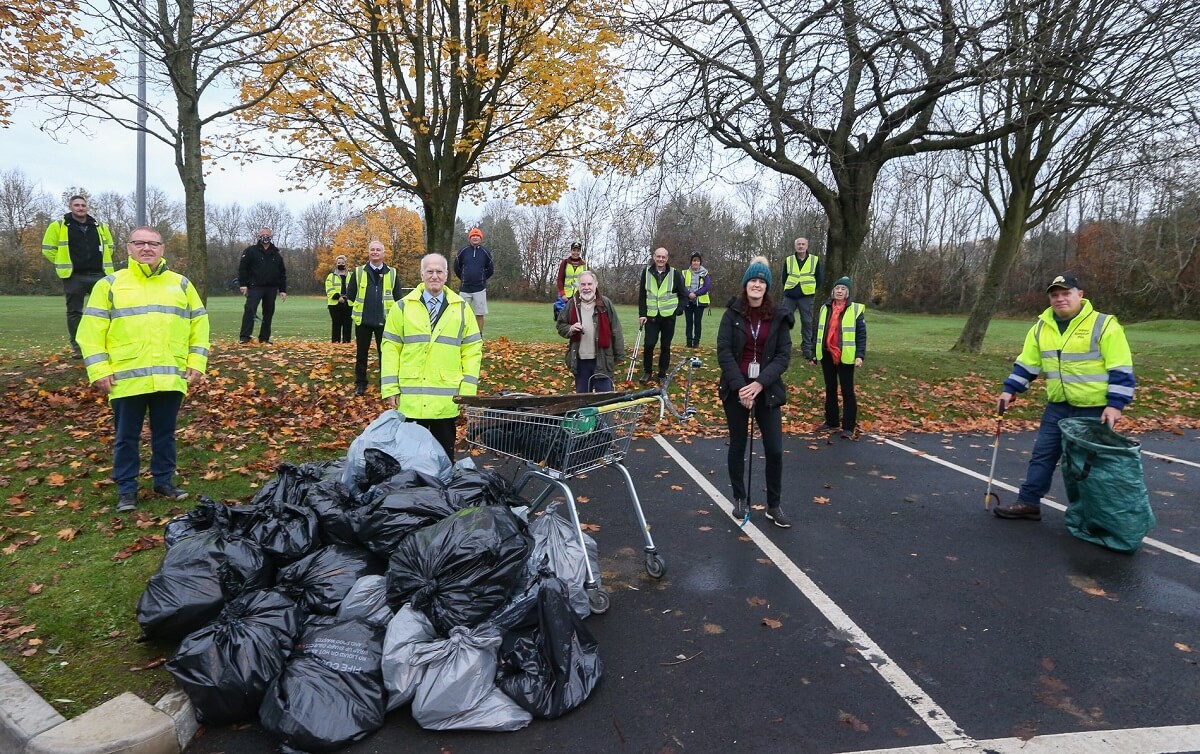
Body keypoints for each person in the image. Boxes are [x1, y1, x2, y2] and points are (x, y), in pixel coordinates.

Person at [76, 226, 209, 512]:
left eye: (153, 243)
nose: (146, 248)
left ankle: (164, 481)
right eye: (139, 243)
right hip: (126, 378)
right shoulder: (109, 285)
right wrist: (99, 370)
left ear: (162, 248)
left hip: (169, 376)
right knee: (126, 437)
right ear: (128, 248)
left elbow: (199, 325)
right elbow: (90, 332)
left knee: (166, 434)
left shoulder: (181, 284)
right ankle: (127, 490)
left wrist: (196, 362)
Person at [993, 273, 1135, 521]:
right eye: (1054, 295)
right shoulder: (1041, 327)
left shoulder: (1104, 325)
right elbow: (1027, 364)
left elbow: (1120, 368)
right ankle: (1028, 502)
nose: (1060, 299)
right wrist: (1010, 389)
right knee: (1043, 455)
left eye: (1066, 293)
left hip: (1094, 408)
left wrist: (1116, 405)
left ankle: (1093, 515)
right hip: (1058, 406)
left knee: (1087, 465)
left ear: (1080, 295)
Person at [381, 253, 482, 461]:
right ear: (422, 274)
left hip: (445, 403)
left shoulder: (462, 308)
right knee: (408, 461)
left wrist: (468, 391)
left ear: (446, 275)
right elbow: (390, 348)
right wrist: (390, 387)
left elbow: (472, 350)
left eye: (439, 271)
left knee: (443, 461)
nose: (434, 276)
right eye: (430, 271)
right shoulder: (402, 307)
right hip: (411, 401)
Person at [717, 256, 793, 528]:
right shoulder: (731, 314)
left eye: (762, 281)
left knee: (774, 449)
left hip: (767, 389)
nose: (757, 285)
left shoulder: (779, 315)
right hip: (737, 389)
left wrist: (759, 384)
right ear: (745, 284)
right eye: (753, 280)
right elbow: (724, 352)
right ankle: (739, 497)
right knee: (738, 444)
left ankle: (774, 504)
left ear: (767, 286)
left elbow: (784, 356)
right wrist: (741, 388)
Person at [42, 195, 116, 358]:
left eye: (83, 205)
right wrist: (63, 261)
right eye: (77, 205)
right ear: (70, 207)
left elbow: (110, 247)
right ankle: (77, 347)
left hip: (100, 275)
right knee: (74, 312)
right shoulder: (59, 226)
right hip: (74, 276)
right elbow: (47, 249)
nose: (80, 208)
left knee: (107, 311)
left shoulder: (99, 226)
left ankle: (106, 345)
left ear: (87, 207)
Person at [347, 240, 404, 397]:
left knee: (385, 354)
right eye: (372, 249)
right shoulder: (358, 272)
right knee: (361, 353)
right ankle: (360, 384)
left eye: (378, 249)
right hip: (363, 321)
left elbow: (398, 298)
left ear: (383, 253)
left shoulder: (392, 273)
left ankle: (385, 383)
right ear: (368, 252)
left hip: (385, 322)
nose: (375, 252)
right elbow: (350, 295)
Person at [556, 270, 625, 393]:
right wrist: (570, 328)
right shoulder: (572, 304)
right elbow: (560, 325)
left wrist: (619, 356)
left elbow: (616, 329)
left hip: (603, 360)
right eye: (583, 284)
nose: (586, 288)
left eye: (589, 284)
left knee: (605, 399)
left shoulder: (605, 303)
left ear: (595, 285)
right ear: (579, 286)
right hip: (580, 361)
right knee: (582, 400)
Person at [815, 276, 867, 439]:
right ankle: (831, 421)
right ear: (833, 291)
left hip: (846, 355)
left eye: (843, 289)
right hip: (827, 353)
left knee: (847, 391)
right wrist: (812, 353)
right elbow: (818, 330)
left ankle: (848, 426)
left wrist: (860, 355)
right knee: (830, 388)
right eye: (837, 288)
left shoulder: (855, 309)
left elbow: (861, 334)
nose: (839, 291)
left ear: (848, 292)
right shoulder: (825, 307)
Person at [637, 247, 686, 384]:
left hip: (668, 317)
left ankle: (662, 373)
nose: (660, 259)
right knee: (649, 344)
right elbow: (642, 295)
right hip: (651, 316)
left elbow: (684, 295)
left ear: (667, 258)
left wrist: (678, 310)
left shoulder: (675, 274)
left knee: (665, 346)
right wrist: (642, 314)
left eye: (663, 257)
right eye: (658, 256)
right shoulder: (646, 272)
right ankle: (647, 372)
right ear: (654, 257)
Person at [238, 227, 287, 344]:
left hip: (271, 288)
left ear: (271, 236)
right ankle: (245, 337)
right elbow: (243, 268)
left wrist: (282, 290)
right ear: (259, 236)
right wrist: (243, 284)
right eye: (263, 234)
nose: (265, 236)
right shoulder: (250, 251)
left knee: (268, 312)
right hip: (255, 287)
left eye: (267, 234)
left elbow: (282, 273)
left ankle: (264, 338)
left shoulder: (276, 254)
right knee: (250, 310)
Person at [781, 237, 823, 361]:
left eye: (803, 244)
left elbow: (819, 278)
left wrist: (811, 290)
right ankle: (783, 348)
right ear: (795, 246)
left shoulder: (814, 260)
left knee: (807, 322)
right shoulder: (789, 260)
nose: (800, 246)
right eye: (798, 244)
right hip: (790, 296)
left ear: (807, 246)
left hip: (806, 296)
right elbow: (784, 278)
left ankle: (807, 349)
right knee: (784, 321)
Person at [454, 227, 494, 333]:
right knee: (461, 314)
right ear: (470, 238)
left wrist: (481, 278)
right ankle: (462, 335)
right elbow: (456, 267)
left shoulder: (485, 252)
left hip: (479, 289)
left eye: (477, 236)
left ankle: (478, 336)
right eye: (473, 236)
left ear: (480, 238)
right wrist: (463, 278)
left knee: (479, 314)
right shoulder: (463, 251)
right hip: (464, 289)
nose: (475, 237)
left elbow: (490, 269)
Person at [682, 252, 712, 348]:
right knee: (689, 322)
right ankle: (688, 342)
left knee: (697, 322)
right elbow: (681, 286)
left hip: (700, 302)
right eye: (694, 260)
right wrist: (688, 294)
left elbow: (707, 286)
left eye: (697, 261)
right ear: (691, 262)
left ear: (700, 262)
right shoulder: (685, 273)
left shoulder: (705, 273)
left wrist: (695, 294)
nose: (696, 262)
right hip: (688, 301)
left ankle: (696, 342)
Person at [554, 242, 588, 321]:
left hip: (579, 295)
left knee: (577, 318)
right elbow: (560, 279)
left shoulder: (585, 265)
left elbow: (587, 280)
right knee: (563, 319)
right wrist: (563, 294)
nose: (576, 253)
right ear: (571, 251)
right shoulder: (565, 263)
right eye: (574, 250)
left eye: (577, 251)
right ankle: (556, 308)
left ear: (580, 252)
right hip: (566, 295)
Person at [325, 254, 353, 343]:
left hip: (348, 303)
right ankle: (335, 343)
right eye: (339, 262)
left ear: (346, 263)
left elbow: (354, 288)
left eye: (342, 262)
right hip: (334, 304)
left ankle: (347, 343)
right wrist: (338, 297)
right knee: (336, 324)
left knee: (347, 324)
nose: (340, 264)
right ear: (336, 264)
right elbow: (329, 289)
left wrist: (347, 297)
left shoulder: (352, 275)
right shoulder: (331, 276)